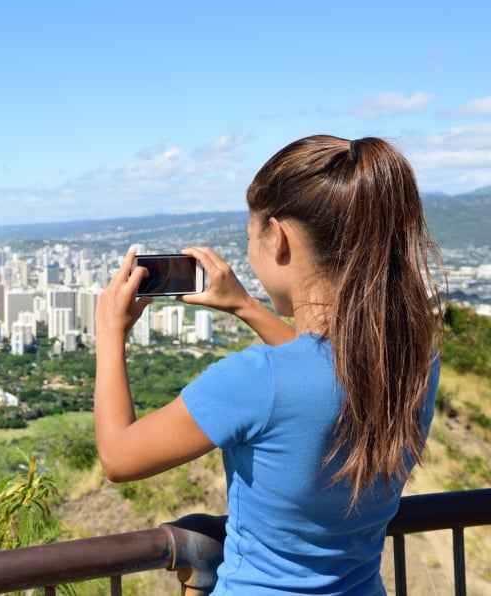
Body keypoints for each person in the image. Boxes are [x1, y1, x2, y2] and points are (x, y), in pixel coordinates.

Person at [94, 135, 442, 595]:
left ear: (278, 238)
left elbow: (118, 457)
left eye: (251, 235)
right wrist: (246, 307)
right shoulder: (414, 364)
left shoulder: (256, 380)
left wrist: (109, 333)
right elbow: (324, 371)